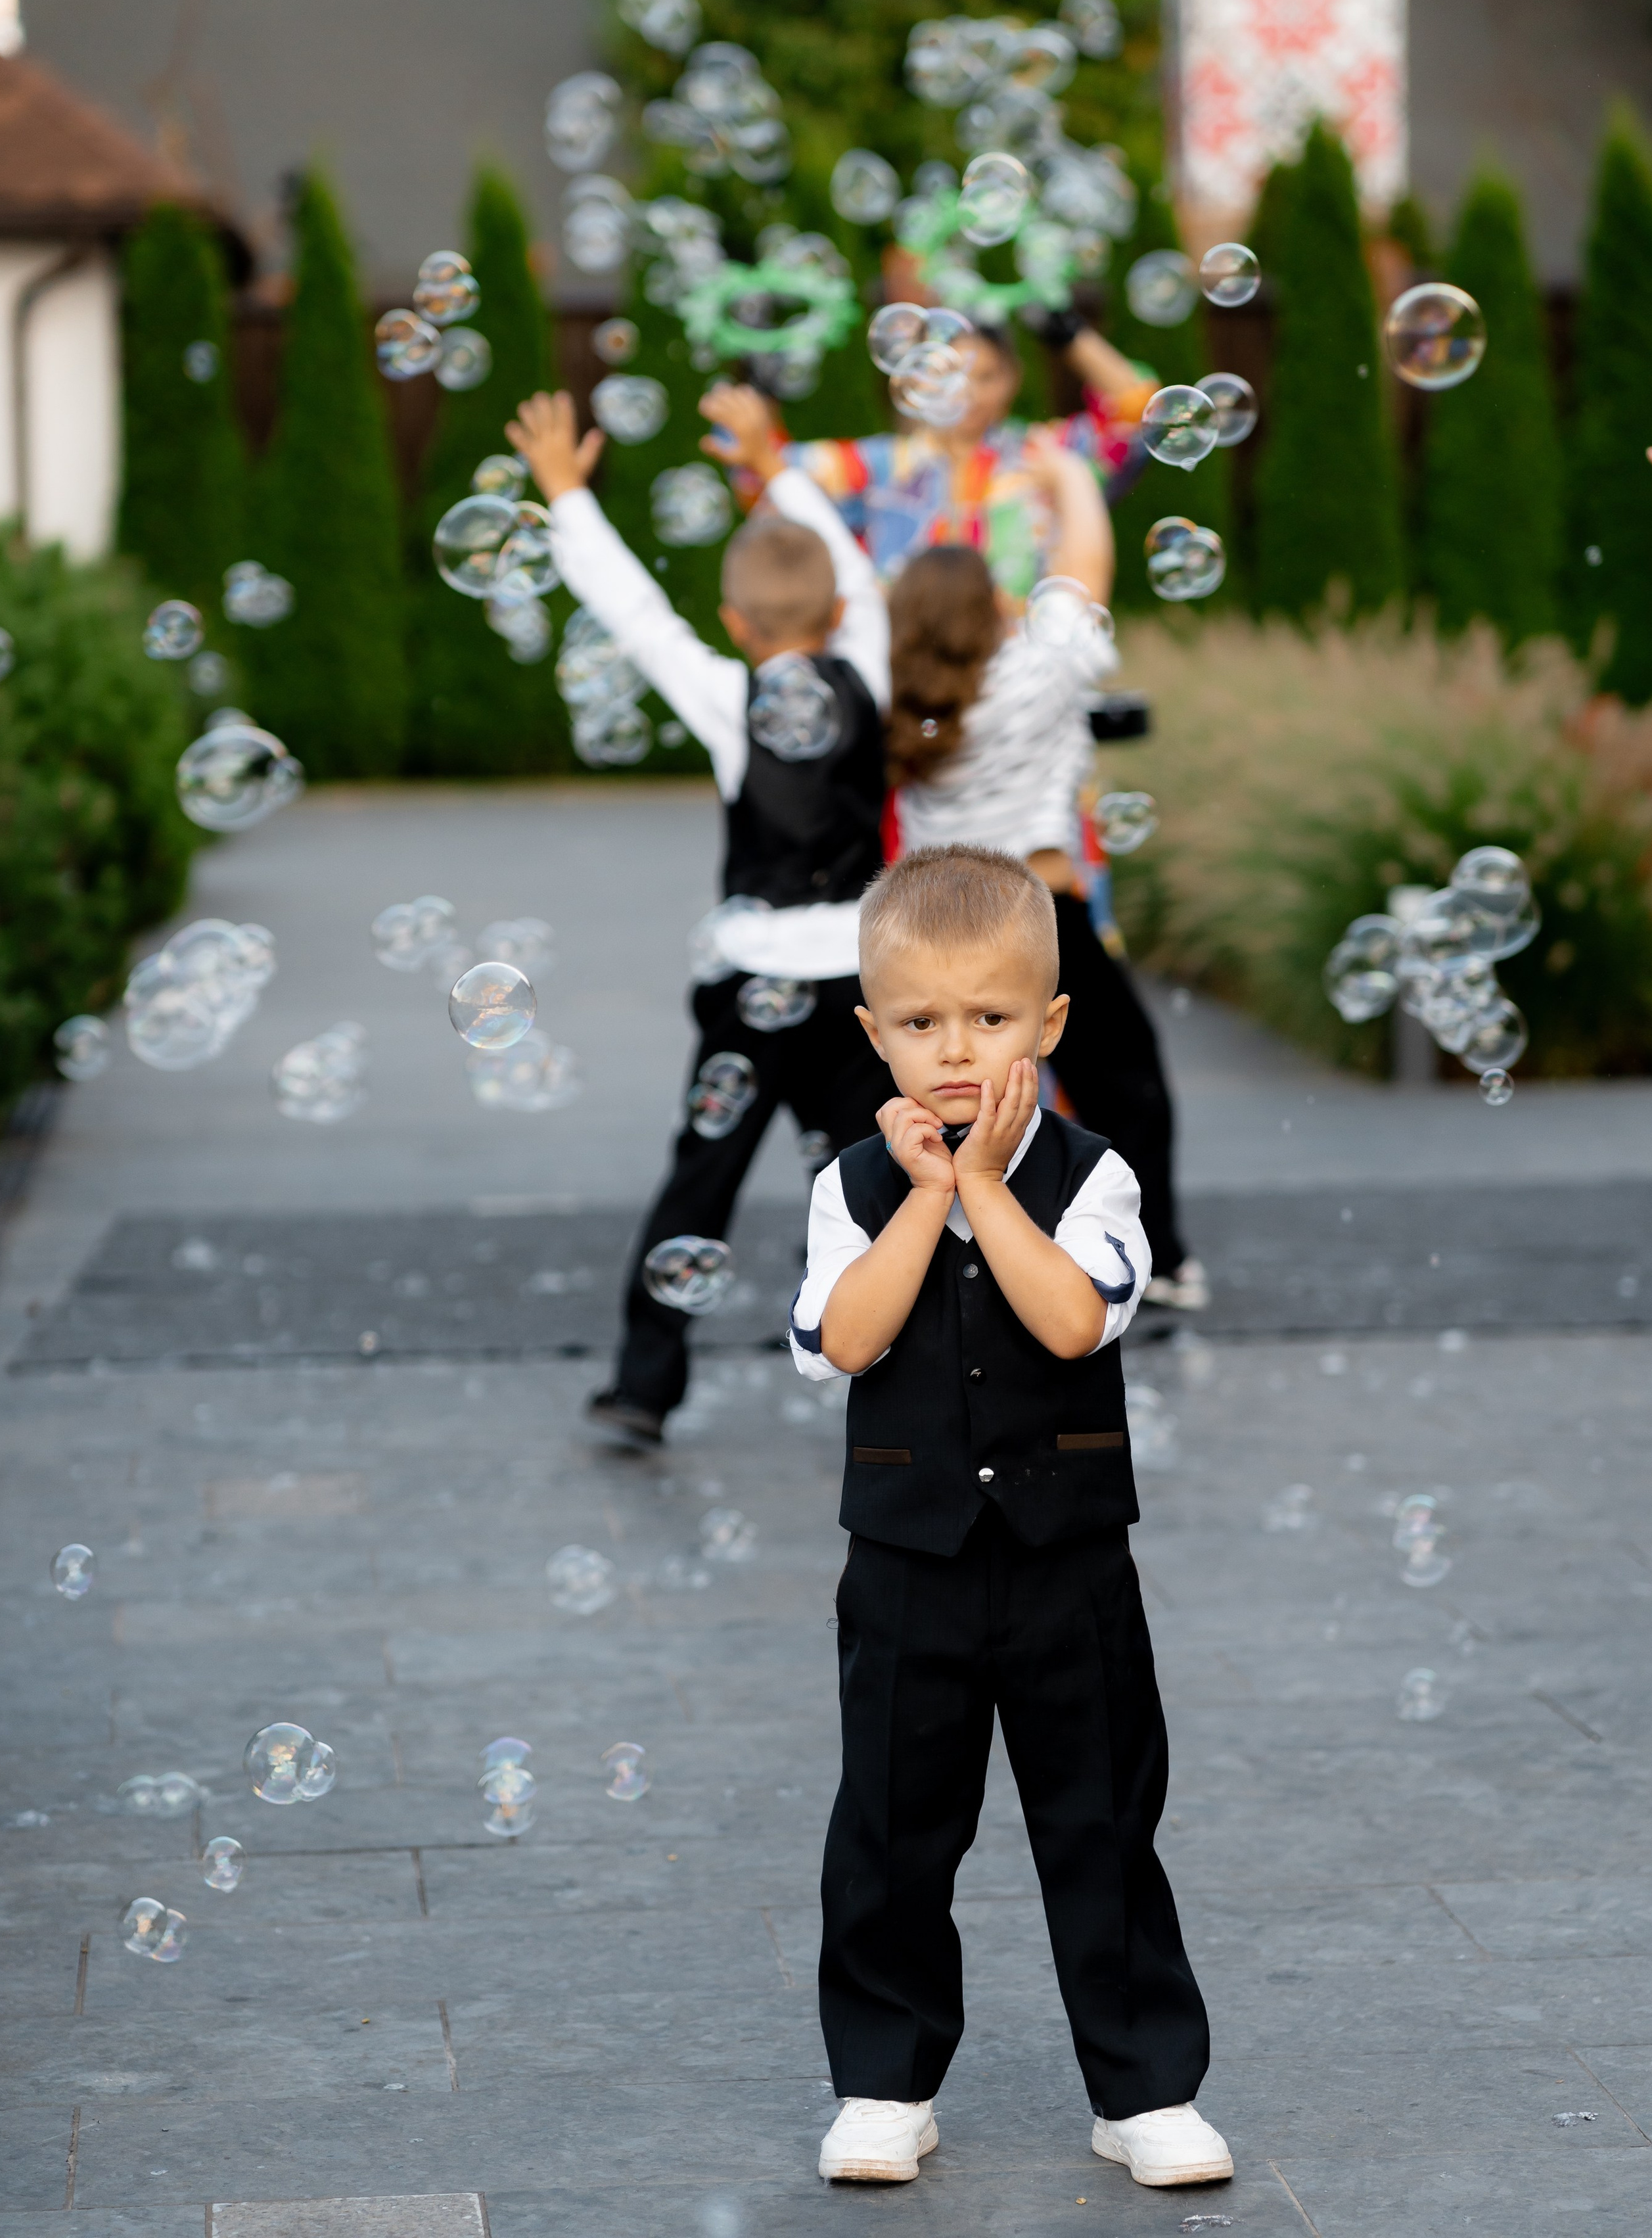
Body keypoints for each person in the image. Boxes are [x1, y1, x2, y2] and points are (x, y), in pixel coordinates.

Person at [788, 845, 1230, 2193]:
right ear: (872, 1034)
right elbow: (844, 1341)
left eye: (988, 1019)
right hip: (907, 1563)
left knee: (1098, 1821)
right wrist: (925, 1192)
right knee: (889, 1823)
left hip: (1066, 1564)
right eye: (919, 1024)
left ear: (1047, 1025)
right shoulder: (849, 1189)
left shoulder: (1090, 1177)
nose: (954, 1052)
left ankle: (1142, 2088)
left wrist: (981, 1180)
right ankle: (883, 2081)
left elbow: (1071, 1317)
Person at [507, 386, 894, 1447]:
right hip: (867, 985)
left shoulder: (736, 699)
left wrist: (566, 498)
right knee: (872, 1183)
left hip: (754, 987)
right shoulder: (869, 673)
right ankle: (897, 1375)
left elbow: (638, 621)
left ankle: (643, 1385)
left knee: (703, 1178)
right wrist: (778, 469)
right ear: (836, 613)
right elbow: (857, 578)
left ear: (736, 623)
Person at [876, 425, 1201, 1305]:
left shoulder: (895, 692)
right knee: (1125, 1085)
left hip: (936, 928)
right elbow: (1086, 568)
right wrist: (1066, 475)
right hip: (1039, 918)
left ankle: (946, 1263)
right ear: (991, 609)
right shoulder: (1035, 674)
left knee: (952, 1098)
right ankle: (1155, 1258)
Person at [713, 322, 1157, 597]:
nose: (968, 393)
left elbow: (1143, 415)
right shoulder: (882, 467)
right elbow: (768, 478)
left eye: (986, 377)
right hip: (913, 674)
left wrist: (1069, 332)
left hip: (1022, 662)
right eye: (946, 375)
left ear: (1013, 379)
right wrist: (760, 381)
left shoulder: (1042, 454)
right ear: (918, 380)